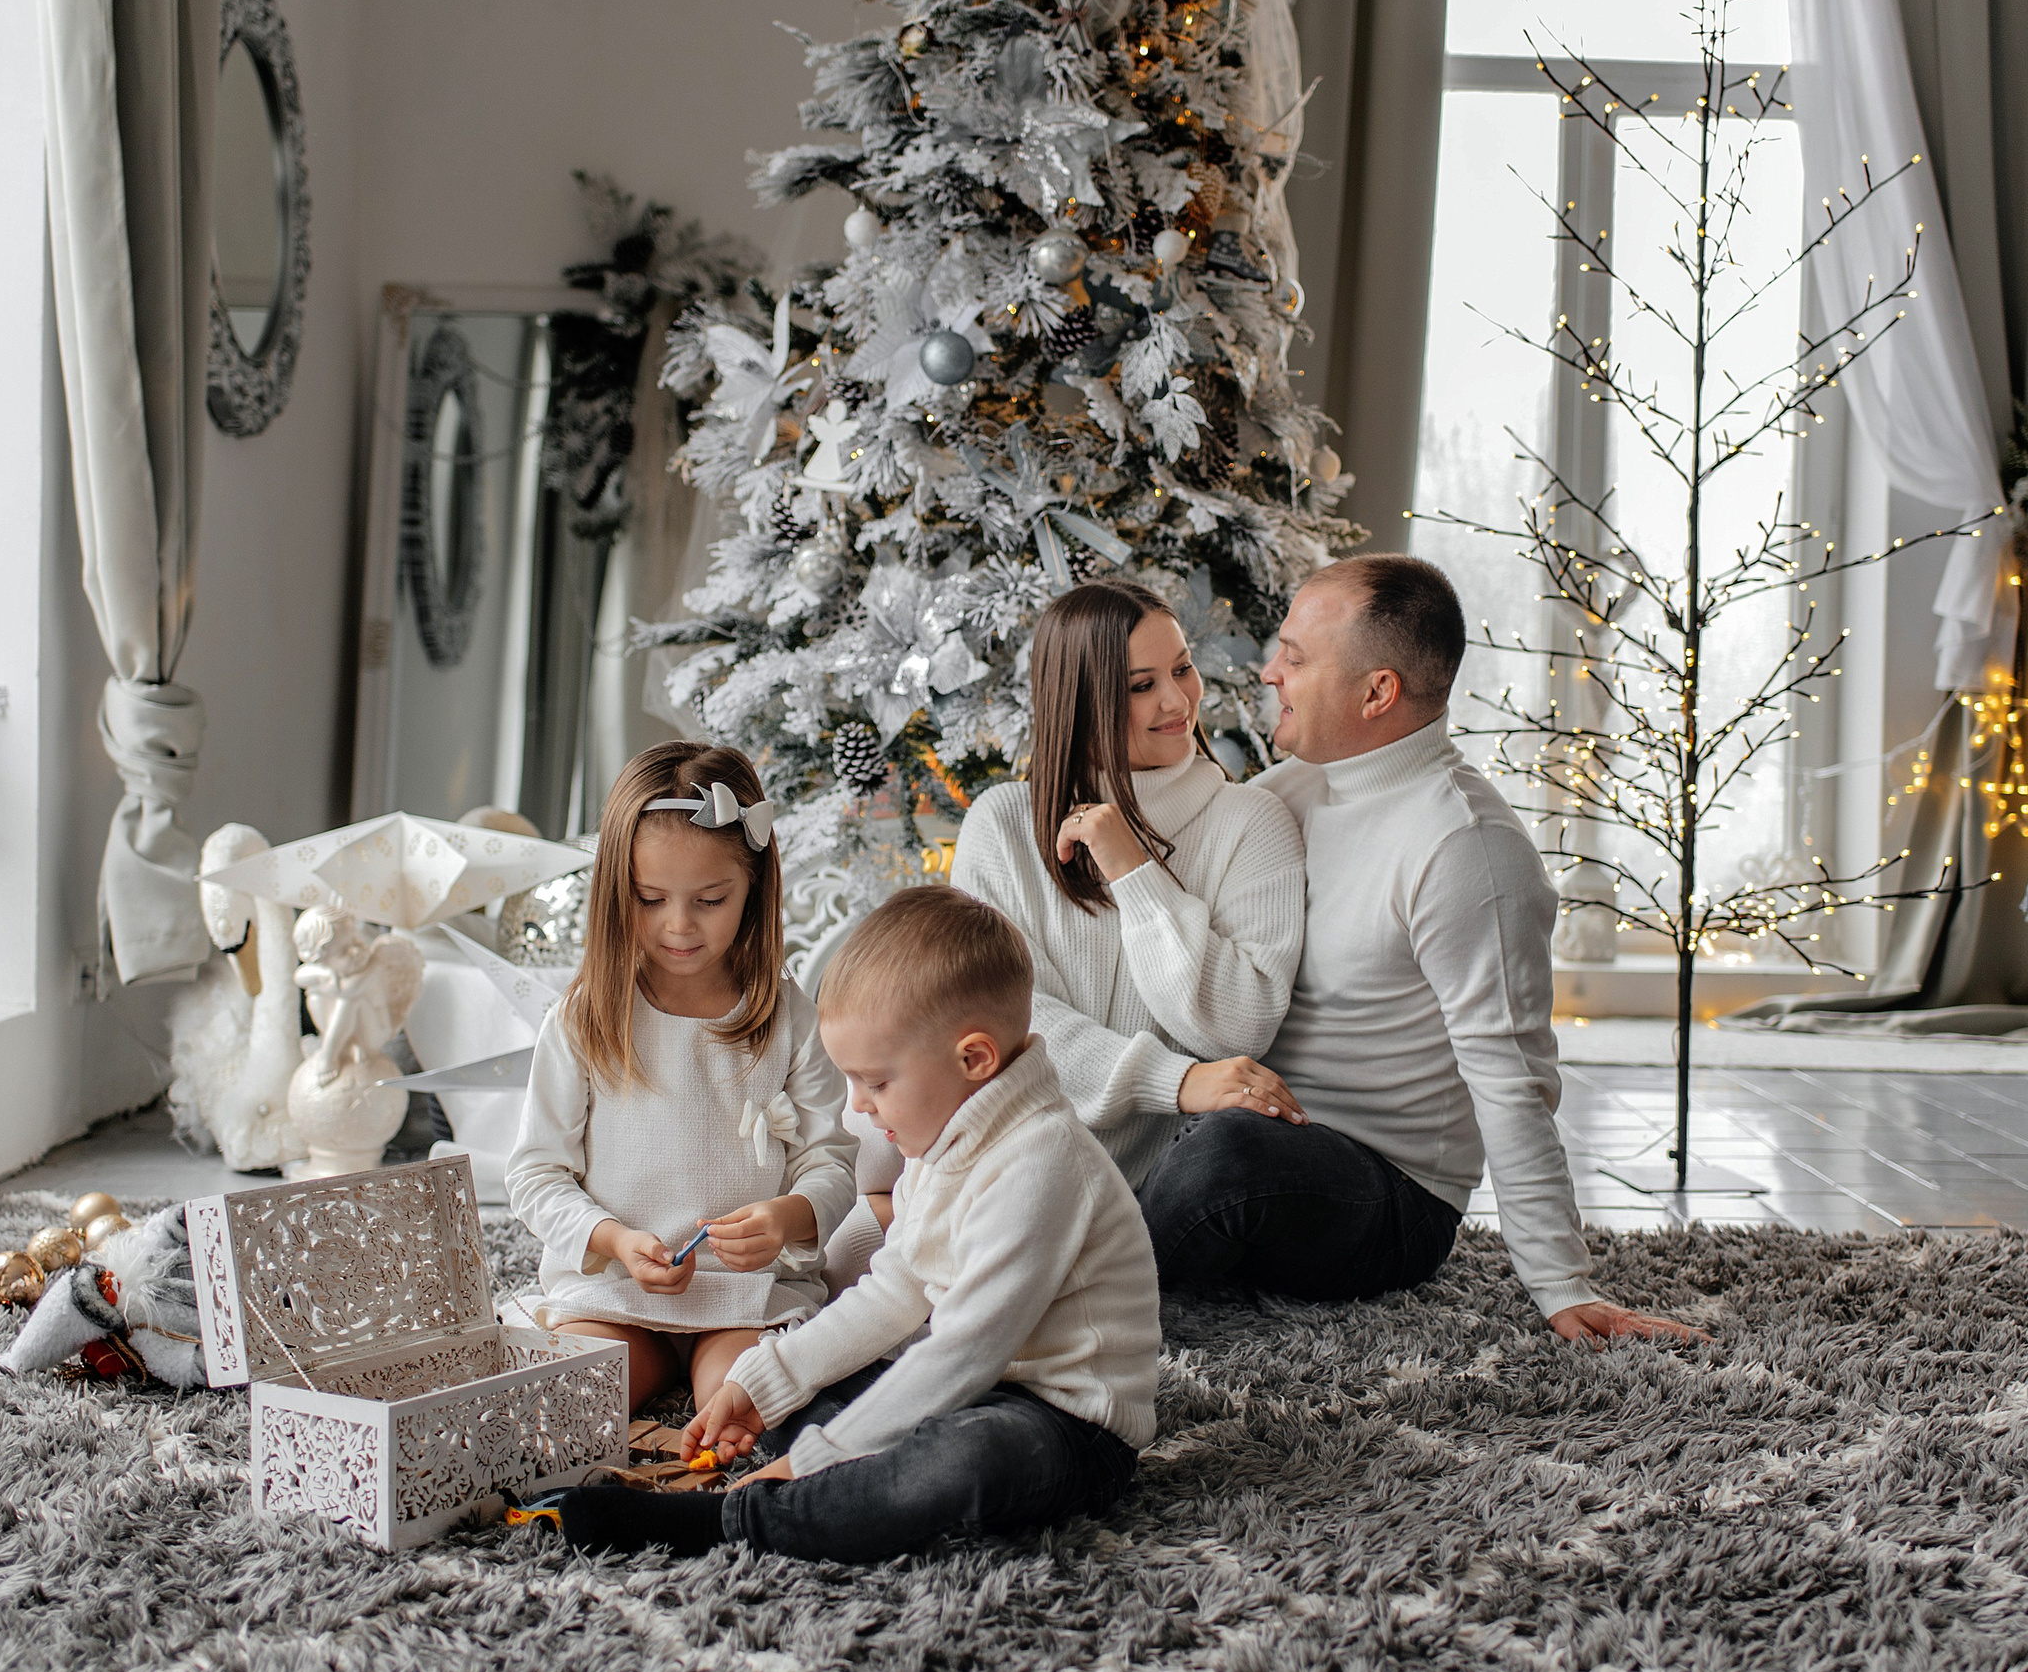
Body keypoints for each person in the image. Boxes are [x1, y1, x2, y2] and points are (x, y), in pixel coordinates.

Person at [1135, 555, 1700, 1343]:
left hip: (1385, 1197)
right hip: (1244, 1123)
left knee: (1224, 1157)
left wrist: (1561, 1282)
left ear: (1377, 692)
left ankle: (1070, 1298)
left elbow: (1513, 1078)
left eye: (1296, 658)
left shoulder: (1466, 847)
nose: (1268, 672)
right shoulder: (1282, 796)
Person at [558, 887, 1160, 1562]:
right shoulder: (948, 1139)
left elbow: (965, 1350)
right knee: (821, 1370)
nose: (858, 1109)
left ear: (974, 1061)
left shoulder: (1043, 1162)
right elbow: (892, 1293)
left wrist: (822, 1454)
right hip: (974, 1385)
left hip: (1069, 1423)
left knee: (965, 1458)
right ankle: (830, 1466)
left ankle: (738, 1520)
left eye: (875, 1082)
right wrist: (765, 1382)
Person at [505, 742, 858, 1412]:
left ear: (752, 885)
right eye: (650, 898)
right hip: (614, 1290)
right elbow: (534, 1176)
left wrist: (789, 1216)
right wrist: (614, 1240)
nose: (679, 925)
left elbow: (832, 1163)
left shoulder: (789, 1019)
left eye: (709, 899)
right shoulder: (585, 1017)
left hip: (741, 1298)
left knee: (750, 1403)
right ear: (618, 890)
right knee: (565, 1406)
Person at [937, 583, 1309, 1192]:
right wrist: (1172, 1080)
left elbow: (1242, 1026)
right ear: (1081, 703)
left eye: (1183, 669)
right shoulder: (1002, 823)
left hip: (1156, 1193)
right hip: (1003, 1161)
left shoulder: (1252, 820)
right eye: (1142, 686)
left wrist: (1135, 872)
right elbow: (994, 1019)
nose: (1177, 700)